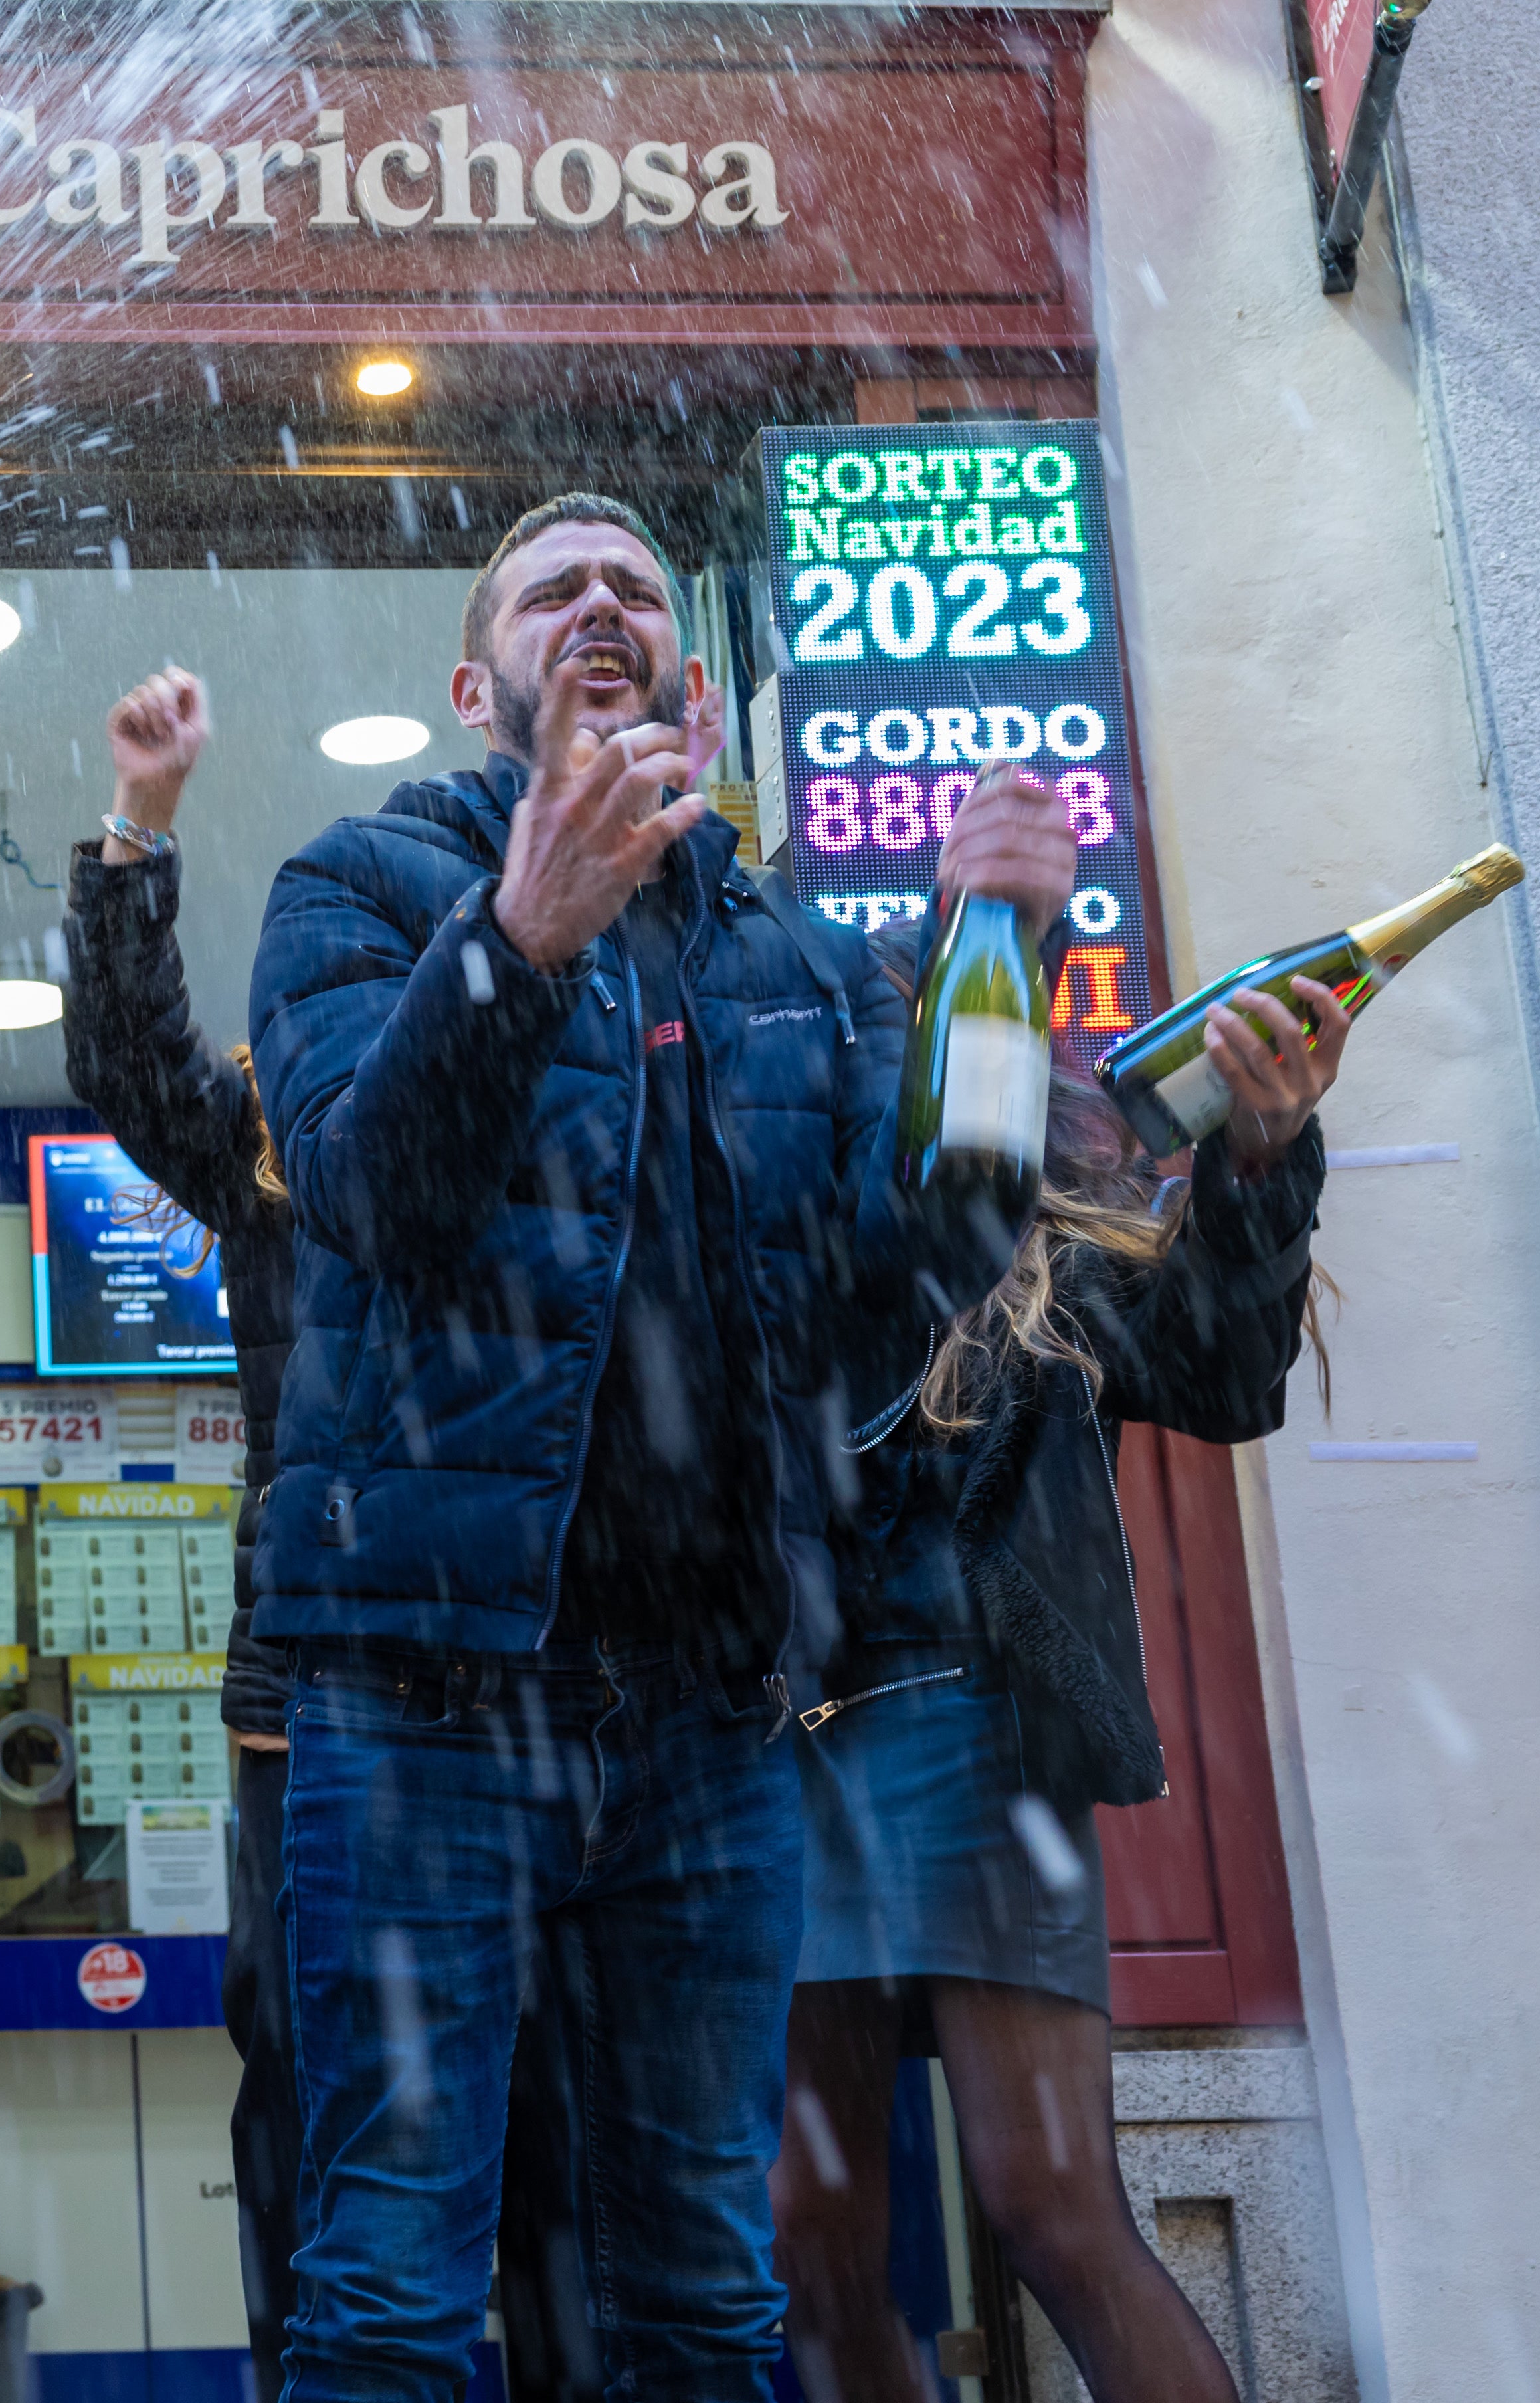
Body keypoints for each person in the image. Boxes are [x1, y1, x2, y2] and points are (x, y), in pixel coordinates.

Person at [243, 491, 1072, 2398]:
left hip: (712, 1725)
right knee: (386, 2283)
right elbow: (375, 1196)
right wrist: (517, 944)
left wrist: (990, 961)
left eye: (637, 587)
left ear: (693, 685)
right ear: (479, 685)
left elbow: (942, 1251)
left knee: (706, 2287)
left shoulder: (792, 950)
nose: (604, 606)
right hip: (424, 1706)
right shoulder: (358, 887)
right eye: (556, 590)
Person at [773, 939, 1341, 2403]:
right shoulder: (769, 1204)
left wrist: (1261, 1159)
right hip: (779, 1744)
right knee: (807, 2235)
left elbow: (1223, 1376)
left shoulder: (1043, 1217)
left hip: (976, 1731)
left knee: (1048, 2202)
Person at [60, 666, 305, 2398]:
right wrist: (138, 830)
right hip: (306, 1697)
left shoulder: (558, 1127)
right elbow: (135, 1065)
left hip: (546, 1689)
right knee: (292, 2062)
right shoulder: (283, 1161)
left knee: (551, 2104)